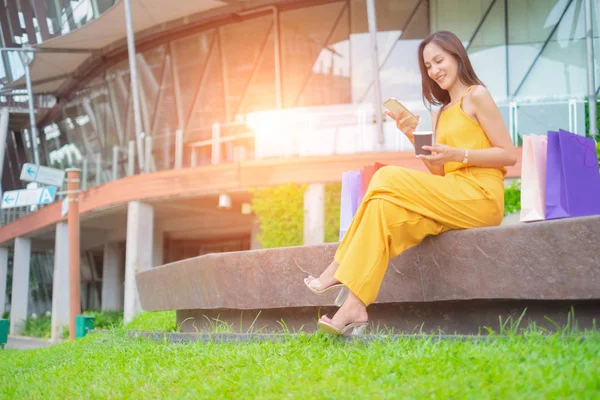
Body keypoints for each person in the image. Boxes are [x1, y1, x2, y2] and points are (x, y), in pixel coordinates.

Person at [304, 30, 518, 335]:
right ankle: (354, 305)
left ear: (457, 56)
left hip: (482, 196)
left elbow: (509, 154)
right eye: (428, 66)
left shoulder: (477, 96)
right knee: (382, 208)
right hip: (453, 193)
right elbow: (440, 174)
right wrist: (411, 136)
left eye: (439, 60)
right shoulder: (439, 114)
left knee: (386, 176)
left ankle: (340, 264)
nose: (434, 70)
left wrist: (458, 153)